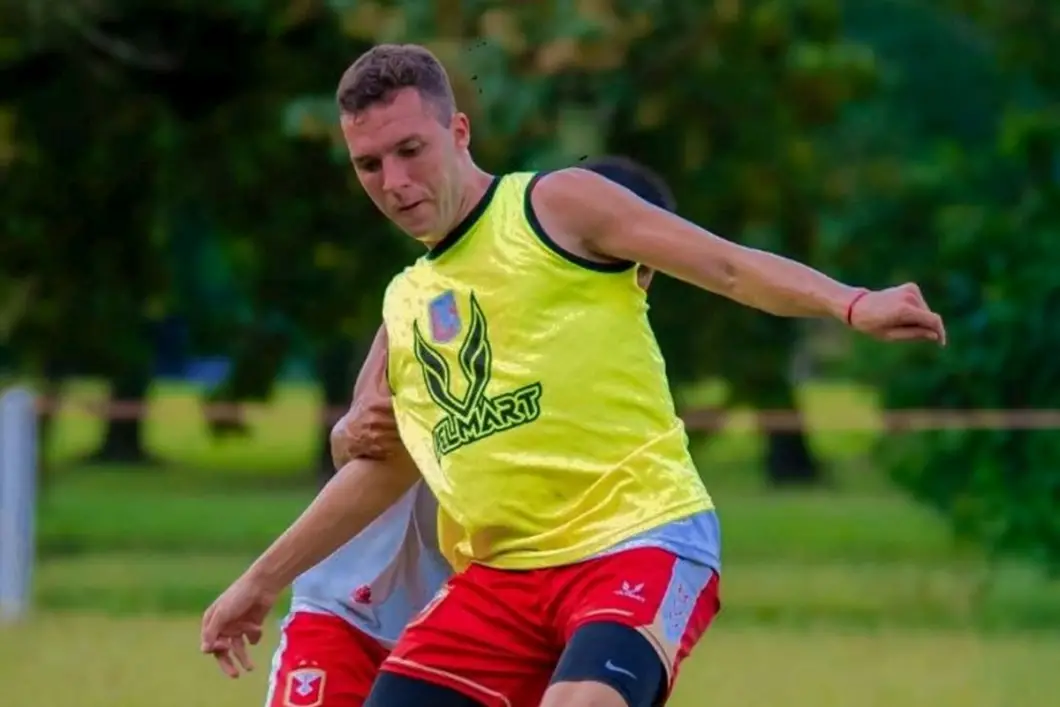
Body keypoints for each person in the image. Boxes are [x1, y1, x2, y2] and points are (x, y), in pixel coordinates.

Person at [203, 44, 945, 707]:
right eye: (370, 165)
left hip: (638, 540)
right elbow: (387, 466)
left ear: (458, 131)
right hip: (501, 583)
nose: (394, 182)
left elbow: (726, 266)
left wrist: (852, 303)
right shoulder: (408, 302)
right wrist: (258, 581)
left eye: (410, 150)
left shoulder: (552, 206)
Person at [206, 156, 682, 707]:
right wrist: (347, 434)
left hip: (487, 621)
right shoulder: (443, 301)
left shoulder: (617, 370)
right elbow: (368, 438)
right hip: (351, 609)